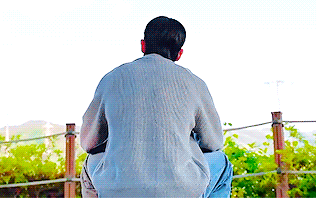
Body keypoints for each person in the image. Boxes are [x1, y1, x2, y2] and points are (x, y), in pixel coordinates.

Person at [80, 16, 233, 198]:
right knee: (222, 163)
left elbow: (89, 143)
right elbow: (214, 142)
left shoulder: (112, 78)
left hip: (117, 191)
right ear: (179, 54)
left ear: (143, 45)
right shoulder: (194, 83)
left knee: (89, 164)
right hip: (182, 191)